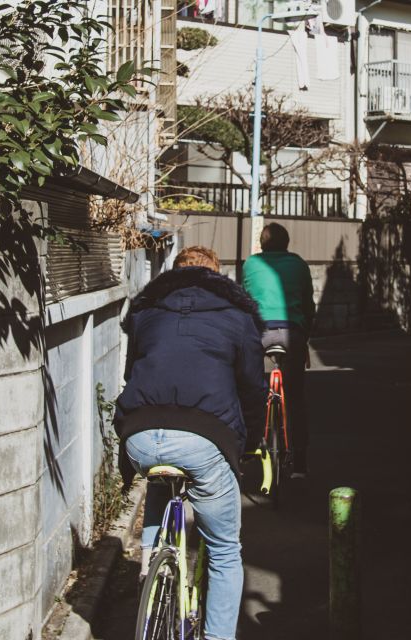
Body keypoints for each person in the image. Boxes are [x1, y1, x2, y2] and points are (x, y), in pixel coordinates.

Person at [115, 246, 268, 640]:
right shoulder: (237, 316)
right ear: (217, 277)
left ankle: (151, 570)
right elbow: (253, 389)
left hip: (141, 435)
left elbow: (134, 372)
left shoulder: (147, 314)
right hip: (203, 438)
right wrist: (248, 445)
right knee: (223, 549)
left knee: (158, 480)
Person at [241, 222, 315, 477]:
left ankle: (249, 445)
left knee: (250, 388)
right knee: (295, 397)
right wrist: (305, 336)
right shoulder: (299, 264)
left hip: (258, 332)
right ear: (287, 243)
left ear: (262, 244)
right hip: (291, 332)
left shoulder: (250, 264)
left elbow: (244, 300)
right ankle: (301, 463)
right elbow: (308, 305)